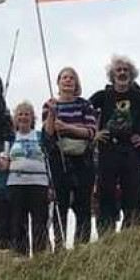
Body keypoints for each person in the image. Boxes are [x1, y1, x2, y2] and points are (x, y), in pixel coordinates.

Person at [90, 55, 140, 234]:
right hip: (108, 151)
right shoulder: (103, 95)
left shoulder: (139, 96)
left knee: (132, 197)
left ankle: (131, 237)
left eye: (125, 70)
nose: (122, 73)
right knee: (106, 196)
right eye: (118, 70)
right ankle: (106, 238)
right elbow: (84, 112)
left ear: (131, 74)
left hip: (132, 152)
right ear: (112, 74)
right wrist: (94, 133)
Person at [43, 67, 97, 246]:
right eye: (64, 78)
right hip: (60, 160)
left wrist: (68, 129)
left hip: (83, 160)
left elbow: (91, 131)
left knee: (83, 205)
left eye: (71, 78)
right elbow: (48, 134)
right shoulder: (50, 104)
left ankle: (82, 245)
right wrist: (51, 112)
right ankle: (59, 245)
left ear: (76, 83)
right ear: (58, 83)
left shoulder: (84, 104)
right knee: (60, 205)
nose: (67, 81)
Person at [1, 101, 51, 256]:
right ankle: (20, 255)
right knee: (17, 221)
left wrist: (51, 113)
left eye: (27, 114)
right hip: (16, 184)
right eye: (20, 114)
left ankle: (40, 254)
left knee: (39, 221)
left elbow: (48, 155)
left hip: (39, 184)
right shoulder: (10, 139)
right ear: (15, 118)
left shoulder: (39, 136)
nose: (23, 117)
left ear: (32, 118)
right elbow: (4, 164)